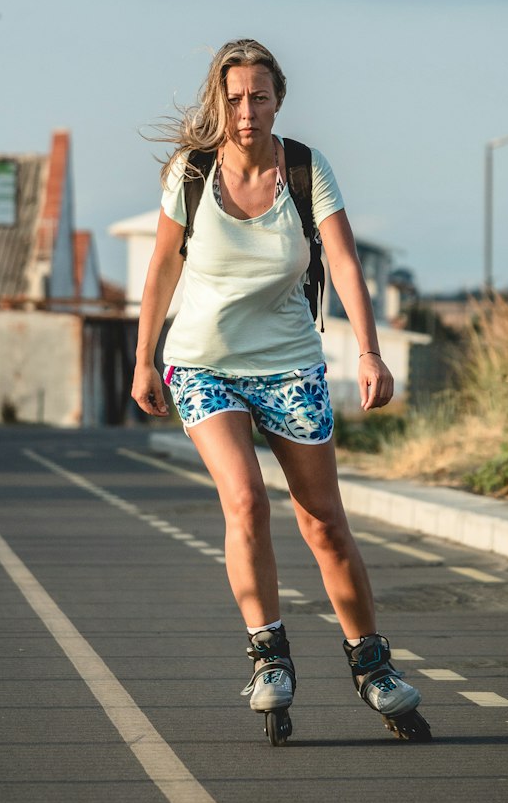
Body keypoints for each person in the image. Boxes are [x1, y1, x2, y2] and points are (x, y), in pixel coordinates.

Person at [132, 39, 429, 743]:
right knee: (244, 501)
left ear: (277, 99)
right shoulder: (191, 172)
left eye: (259, 96)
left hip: (292, 364)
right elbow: (159, 274)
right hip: (202, 364)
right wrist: (144, 359)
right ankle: (269, 655)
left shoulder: (304, 168)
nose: (246, 111)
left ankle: (372, 663)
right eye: (233, 98)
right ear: (218, 101)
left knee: (322, 520)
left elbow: (348, 263)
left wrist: (368, 350)